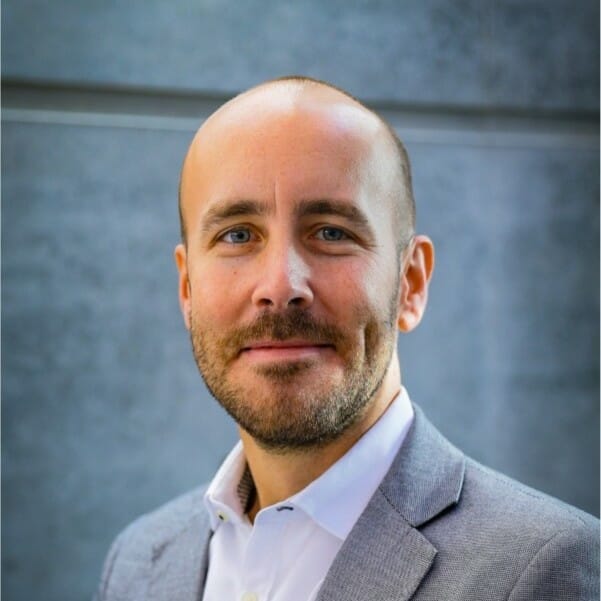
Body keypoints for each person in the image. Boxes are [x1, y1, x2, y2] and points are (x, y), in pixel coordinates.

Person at [95, 76, 599, 601]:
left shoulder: (546, 572)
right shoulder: (139, 565)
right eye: (237, 235)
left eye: (332, 232)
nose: (280, 286)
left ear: (411, 283)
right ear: (186, 288)